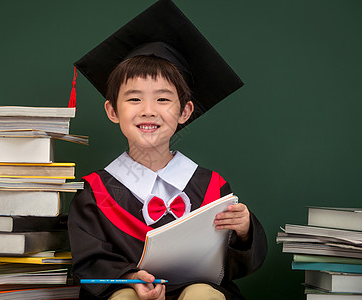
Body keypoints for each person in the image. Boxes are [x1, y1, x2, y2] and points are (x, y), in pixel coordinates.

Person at [68, 1, 268, 299]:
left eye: (163, 100)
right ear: (112, 110)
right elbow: (89, 263)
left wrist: (244, 230)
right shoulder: (93, 193)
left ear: (185, 111)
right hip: (128, 290)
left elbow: (229, 265)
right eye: (134, 100)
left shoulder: (212, 187)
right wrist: (131, 277)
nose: (149, 111)